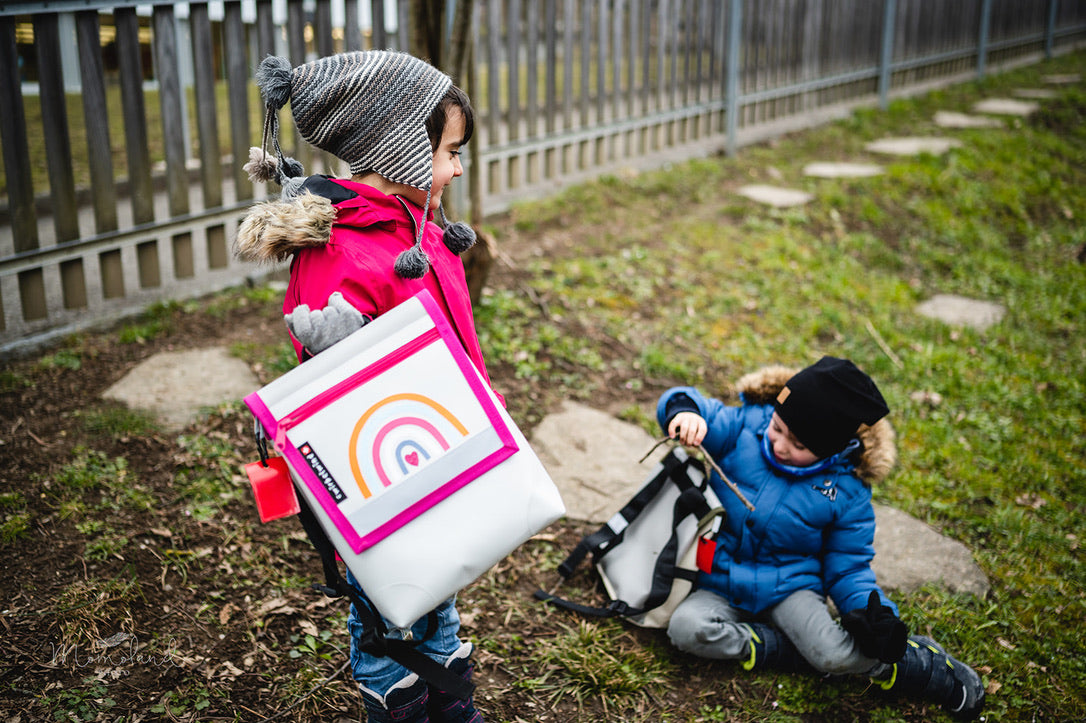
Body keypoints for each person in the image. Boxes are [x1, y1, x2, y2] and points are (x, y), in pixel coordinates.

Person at [233, 50, 488, 723]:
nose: (458, 167)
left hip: (436, 447)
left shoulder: (417, 228)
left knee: (439, 590)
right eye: (450, 151)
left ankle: (448, 695)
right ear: (401, 146)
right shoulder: (342, 251)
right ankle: (395, 701)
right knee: (385, 598)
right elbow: (343, 394)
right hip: (380, 474)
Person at [657, 357, 985, 720]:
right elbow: (693, 402)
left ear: (832, 449)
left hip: (790, 589)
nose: (779, 444)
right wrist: (684, 412)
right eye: (778, 427)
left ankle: (913, 665)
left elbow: (848, 568)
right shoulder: (746, 427)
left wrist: (874, 615)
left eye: (798, 443)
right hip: (720, 579)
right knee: (686, 629)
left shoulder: (846, 492)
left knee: (832, 653)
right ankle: (778, 648)